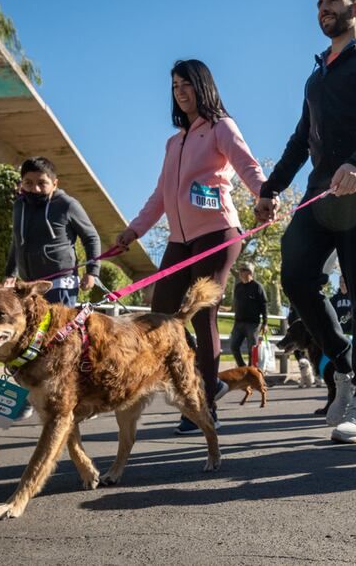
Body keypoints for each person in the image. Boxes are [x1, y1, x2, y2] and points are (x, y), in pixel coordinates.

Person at [254, 0, 356, 444]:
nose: (323, 8)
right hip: (320, 194)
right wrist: (270, 188)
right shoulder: (316, 75)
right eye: (319, 1)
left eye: (333, 0)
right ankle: (341, 360)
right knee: (296, 275)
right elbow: (301, 140)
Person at [116, 59, 267, 434]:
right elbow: (161, 195)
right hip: (179, 240)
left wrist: (266, 196)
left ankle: (203, 404)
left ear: (204, 86)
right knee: (161, 313)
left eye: (187, 84)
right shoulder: (174, 142)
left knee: (202, 315)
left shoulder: (220, 127)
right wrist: (133, 231)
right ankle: (205, 379)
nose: (180, 92)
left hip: (218, 233)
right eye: (175, 87)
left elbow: (248, 166)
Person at [4, 156, 101, 307]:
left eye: (42, 183)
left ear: (54, 184)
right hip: (29, 287)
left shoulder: (67, 205)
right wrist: (10, 274)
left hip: (60, 285)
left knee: (57, 330)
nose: (35, 189)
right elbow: (17, 242)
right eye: (28, 183)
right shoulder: (19, 206)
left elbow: (91, 237)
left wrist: (92, 272)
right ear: (21, 182)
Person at [230, 263, 269, 367]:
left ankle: (252, 371)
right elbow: (236, 304)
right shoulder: (238, 287)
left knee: (252, 350)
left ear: (250, 272)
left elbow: (264, 305)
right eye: (240, 270)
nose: (240, 272)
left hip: (253, 325)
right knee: (233, 346)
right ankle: (242, 368)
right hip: (238, 324)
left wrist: (265, 323)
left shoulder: (257, 287)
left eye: (243, 270)